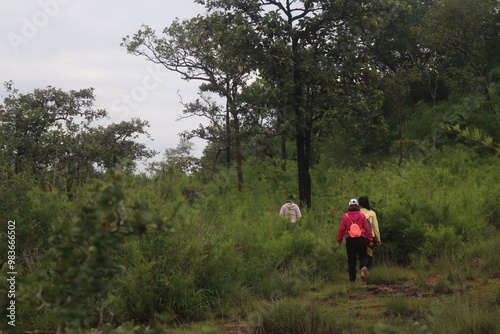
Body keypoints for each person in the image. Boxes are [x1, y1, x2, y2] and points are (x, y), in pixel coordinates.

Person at [337, 199, 374, 282]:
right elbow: (367, 229)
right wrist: (370, 240)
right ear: (357, 206)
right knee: (363, 256)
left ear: (349, 206)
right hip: (361, 239)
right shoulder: (362, 216)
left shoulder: (345, 216)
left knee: (351, 260)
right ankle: (363, 267)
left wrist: (339, 241)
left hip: (350, 240)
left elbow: (341, 230)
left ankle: (352, 280)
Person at [359, 196, 381, 269]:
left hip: (359, 236)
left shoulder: (357, 213)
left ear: (359, 203)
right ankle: (368, 270)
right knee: (369, 254)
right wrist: (378, 239)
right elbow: (375, 227)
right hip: (370, 237)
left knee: (361, 254)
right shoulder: (372, 213)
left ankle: (363, 268)